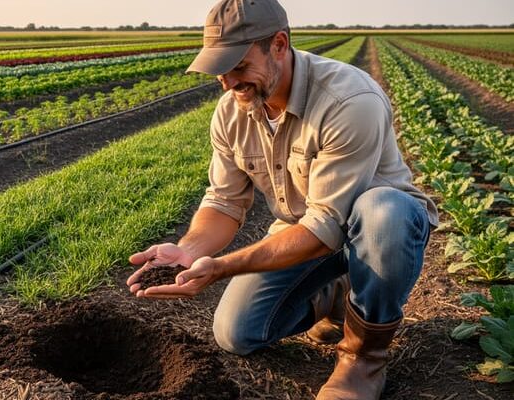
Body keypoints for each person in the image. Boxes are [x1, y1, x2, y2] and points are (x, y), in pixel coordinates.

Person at [125, 0, 437, 398]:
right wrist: (189, 250)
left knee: (384, 212)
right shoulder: (231, 111)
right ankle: (337, 291)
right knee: (236, 333)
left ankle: (363, 359)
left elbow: (326, 225)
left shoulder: (349, 100)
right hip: (302, 230)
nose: (227, 82)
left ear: (279, 44)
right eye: (219, 70)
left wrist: (221, 267)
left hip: (373, 230)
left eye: (238, 66)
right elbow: (224, 201)